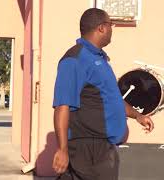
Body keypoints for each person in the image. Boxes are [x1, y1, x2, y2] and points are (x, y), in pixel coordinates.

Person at [52, 8, 154, 180]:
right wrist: (62, 149)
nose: (112, 28)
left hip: (102, 148)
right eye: (111, 24)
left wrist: (137, 116)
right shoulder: (74, 60)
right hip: (88, 147)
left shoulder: (99, 60)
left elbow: (112, 98)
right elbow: (62, 105)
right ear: (101, 28)